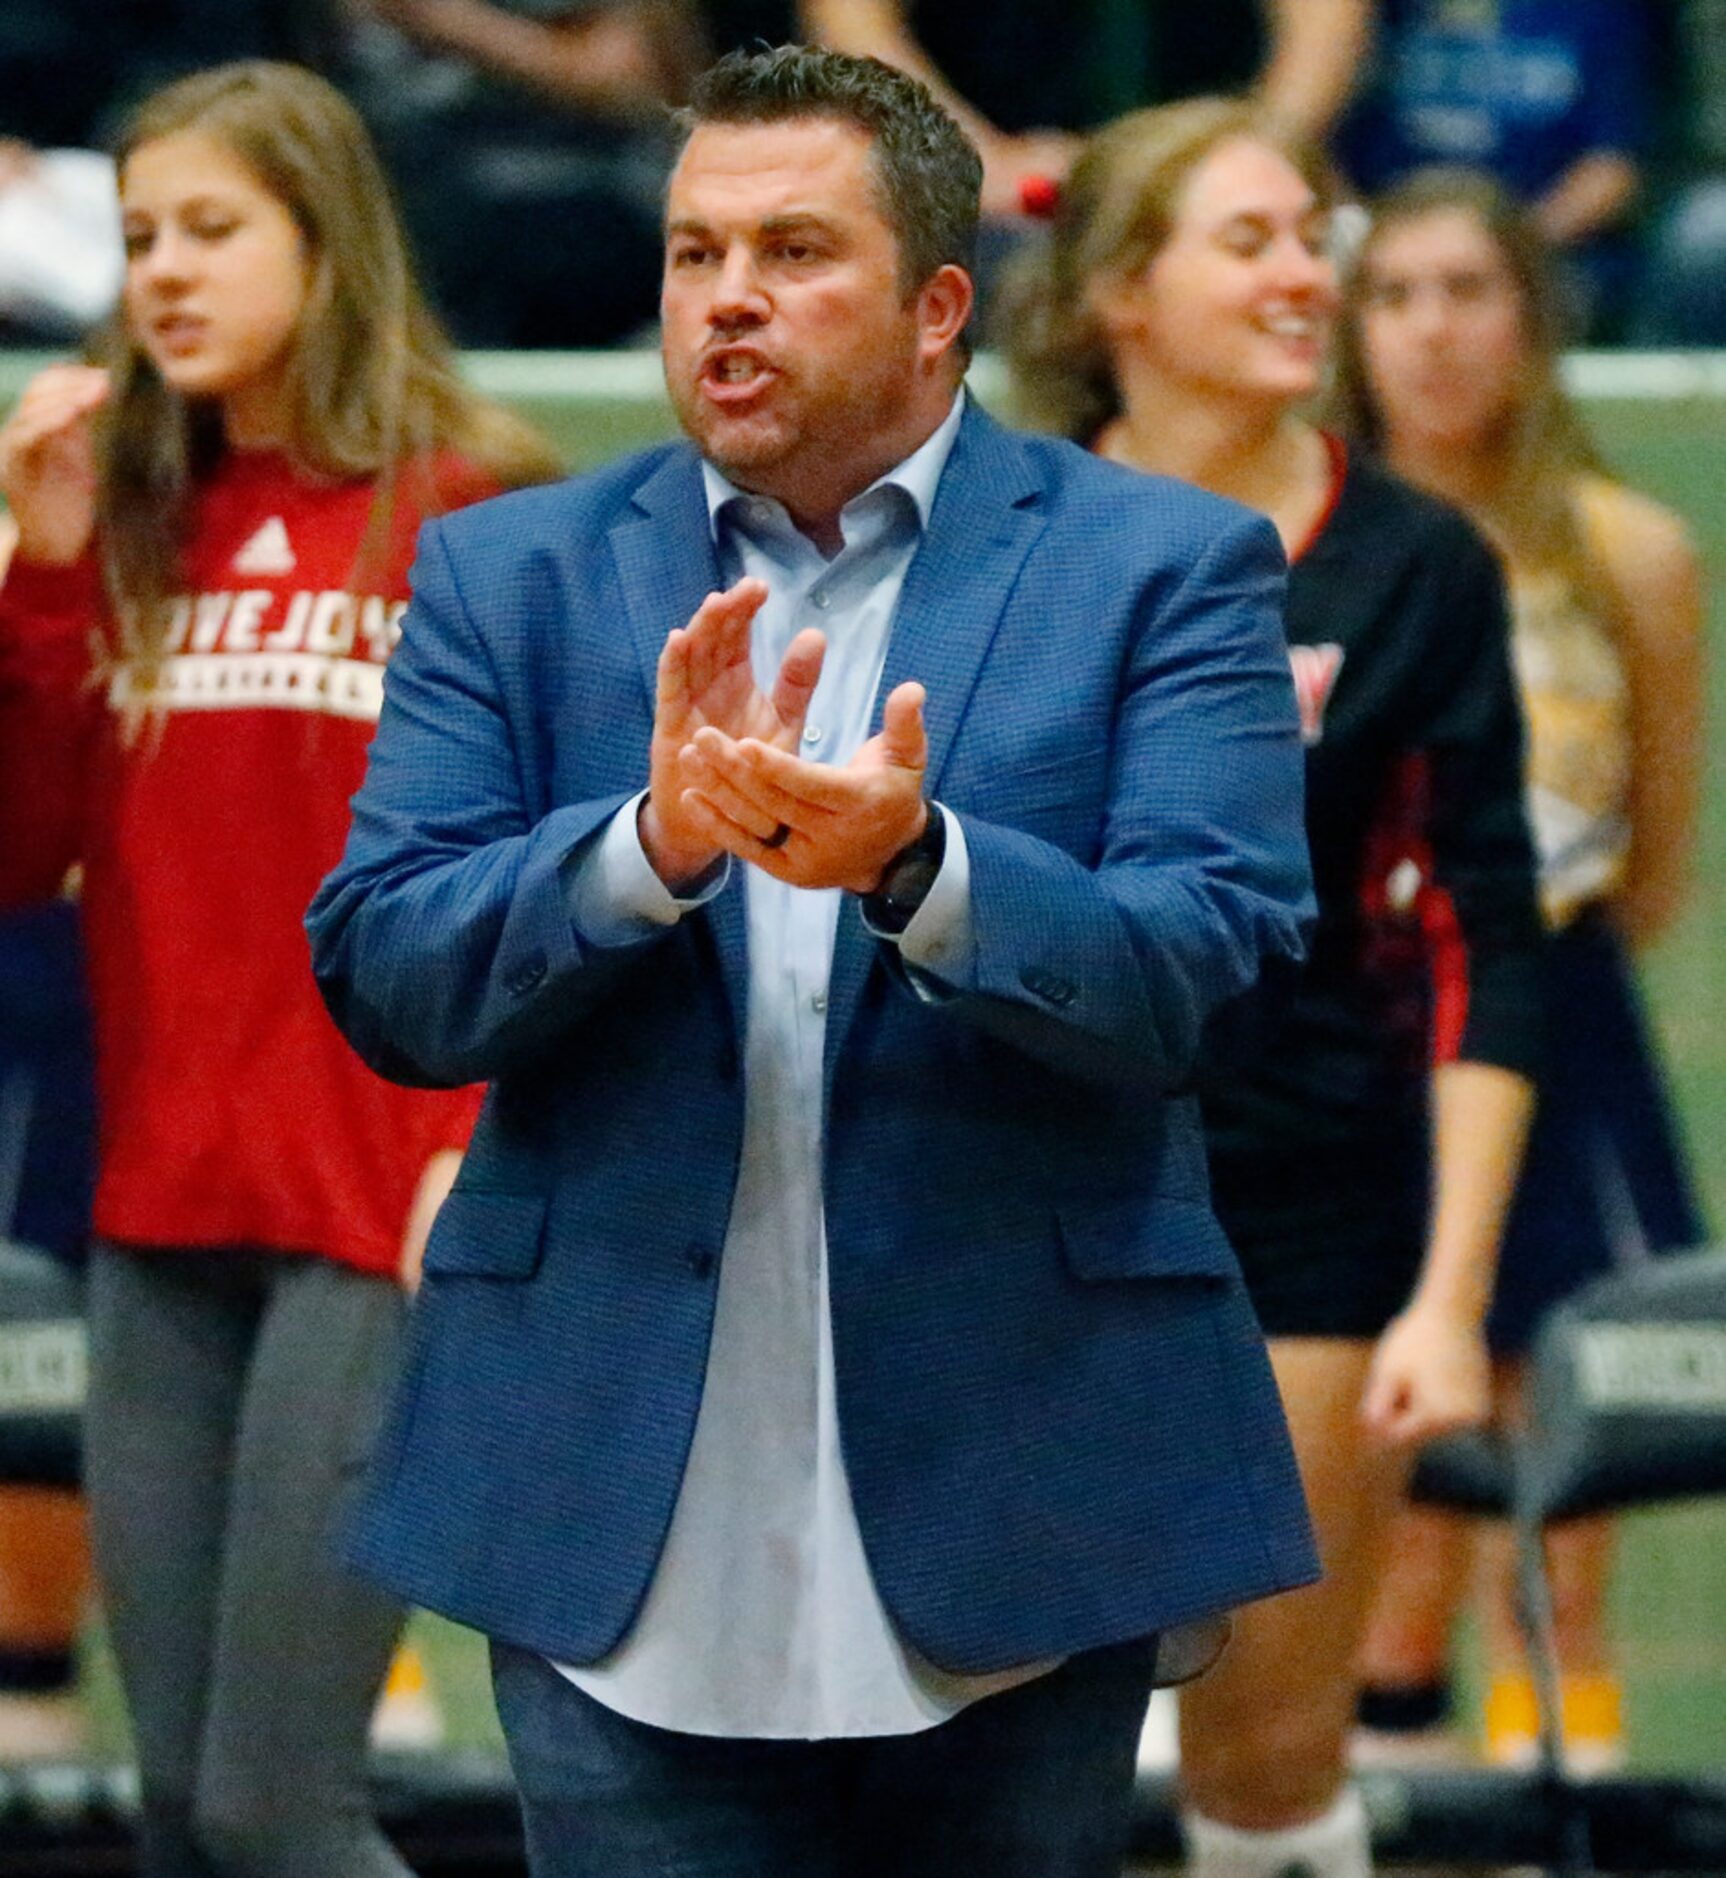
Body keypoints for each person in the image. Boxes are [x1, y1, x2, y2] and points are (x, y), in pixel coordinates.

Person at [309, 42, 1321, 1878]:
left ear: (942, 308)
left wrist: (921, 865)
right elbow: (385, 965)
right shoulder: (506, 573)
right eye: (696, 255)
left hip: (1021, 1465)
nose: (729, 302)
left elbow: (1213, 964)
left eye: (791, 251)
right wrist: (640, 850)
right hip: (608, 1475)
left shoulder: (1164, 567)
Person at [0, 59, 559, 1877]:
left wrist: (491, 1131)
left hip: (376, 1207)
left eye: (214, 230)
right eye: (142, 233)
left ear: (329, 247)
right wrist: (50, 572)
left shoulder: (478, 515)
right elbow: (21, 859)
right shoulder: (129, 530)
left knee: (276, 1802)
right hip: (158, 1214)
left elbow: (569, 884)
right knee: (176, 1814)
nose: (163, 271)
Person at [1005, 98, 1543, 1878]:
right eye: (1250, 240)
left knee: (1268, 1746)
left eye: (1312, 233)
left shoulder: (1413, 563)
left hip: (1308, 1205)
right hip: (1013, 1195)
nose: (1306, 273)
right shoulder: (986, 535)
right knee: (989, 1734)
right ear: (1117, 298)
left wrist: (1450, 1294)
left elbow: (1481, 928)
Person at [1339, 168, 1706, 1772]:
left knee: (1564, 1441)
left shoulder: (1627, 550)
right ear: (1350, 325)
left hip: (1555, 1010)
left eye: (1466, 290)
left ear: (1531, 320)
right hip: (1357, 1028)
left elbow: (1655, 847)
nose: (1431, 333)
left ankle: (1567, 1777)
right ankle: (1388, 1765)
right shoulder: (1317, 541)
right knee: (1394, 1464)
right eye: (1395, 293)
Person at [1334, 0, 1653, 338]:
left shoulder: (1599, 13)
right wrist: (1367, 238)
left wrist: (1515, 247)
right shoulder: (1379, 13)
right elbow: (1325, 149)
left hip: (1548, 249)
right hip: (1377, 241)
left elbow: (1612, 171)